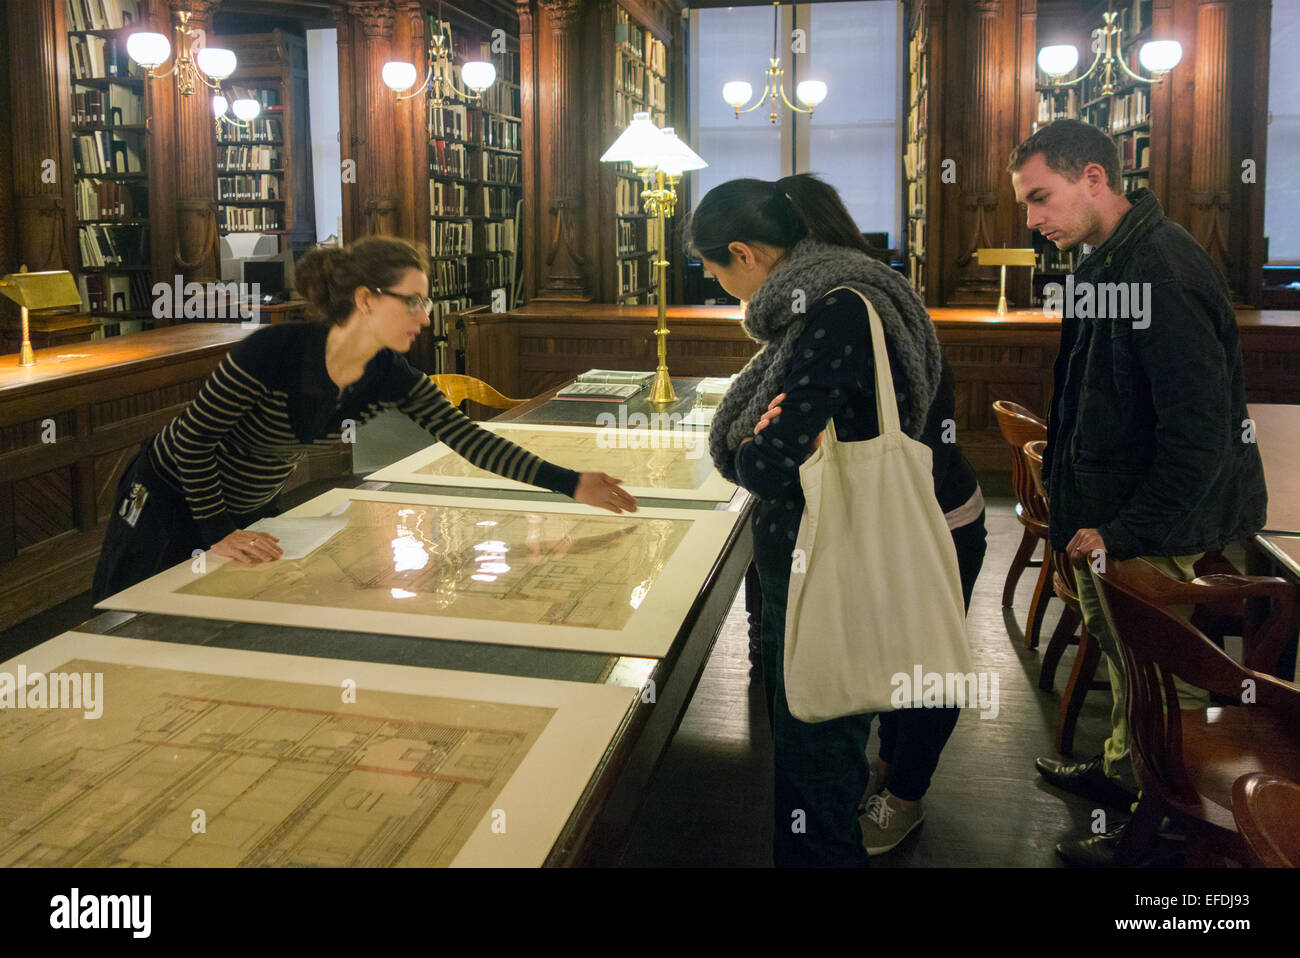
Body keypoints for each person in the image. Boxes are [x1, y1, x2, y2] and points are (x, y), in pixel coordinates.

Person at [687, 174, 985, 866]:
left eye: (712, 268)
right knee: (846, 714)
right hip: (901, 526)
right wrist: (766, 437)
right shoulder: (860, 288)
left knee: (817, 735)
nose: (714, 284)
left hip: (845, 550)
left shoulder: (835, 312)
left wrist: (749, 442)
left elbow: (766, 465)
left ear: (745, 252)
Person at [92, 236, 636, 601]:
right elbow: (192, 444)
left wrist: (571, 483)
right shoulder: (272, 351)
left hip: (248, 505)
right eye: (414, 302)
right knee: (134, 608)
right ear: (366, 300)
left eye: (428, 304)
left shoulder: (386, 372)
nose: (426, 318)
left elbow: (468, 439)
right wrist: (218, 530)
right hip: (167, 497)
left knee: (223, 611)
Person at [1008, 119, 1267, 865]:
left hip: (1150, 525)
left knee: (1170, 685)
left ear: (1094, 177)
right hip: (1109, 516)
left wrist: (1119, 532)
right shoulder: (1107, 261)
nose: (1031, 219)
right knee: (1129, 665)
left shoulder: (1162, 271)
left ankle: (1169, 829)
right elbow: (1092, 398)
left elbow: (1200, 438)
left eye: (1041, 198)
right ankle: (1128, 771)